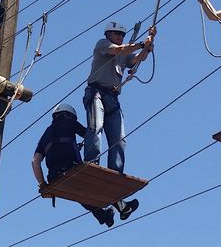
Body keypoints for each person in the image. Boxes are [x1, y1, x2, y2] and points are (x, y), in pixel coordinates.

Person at [33, 104, 139, 228]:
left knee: (81, 193)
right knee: (94, 185)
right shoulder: (69, 122)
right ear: (70, 115)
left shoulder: (47, 132)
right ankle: (122, 207)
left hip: (54, 177)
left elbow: (35, 161)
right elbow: (91, 135)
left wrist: (42, 184)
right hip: (70, 169)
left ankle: (103, 216)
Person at [82, 21, 154, 176]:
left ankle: (115, 172)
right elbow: (120, 50)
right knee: (96, 126)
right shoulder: (102, 44)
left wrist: (147, 49)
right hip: (97, 92)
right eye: (117, 33)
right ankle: (91, 164)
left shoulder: (124, 53)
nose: (120, 36)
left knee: (119, 138)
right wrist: (142, 44)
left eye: (122, 34)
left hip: (113, 97)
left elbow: (136, 60)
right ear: (108, 34)